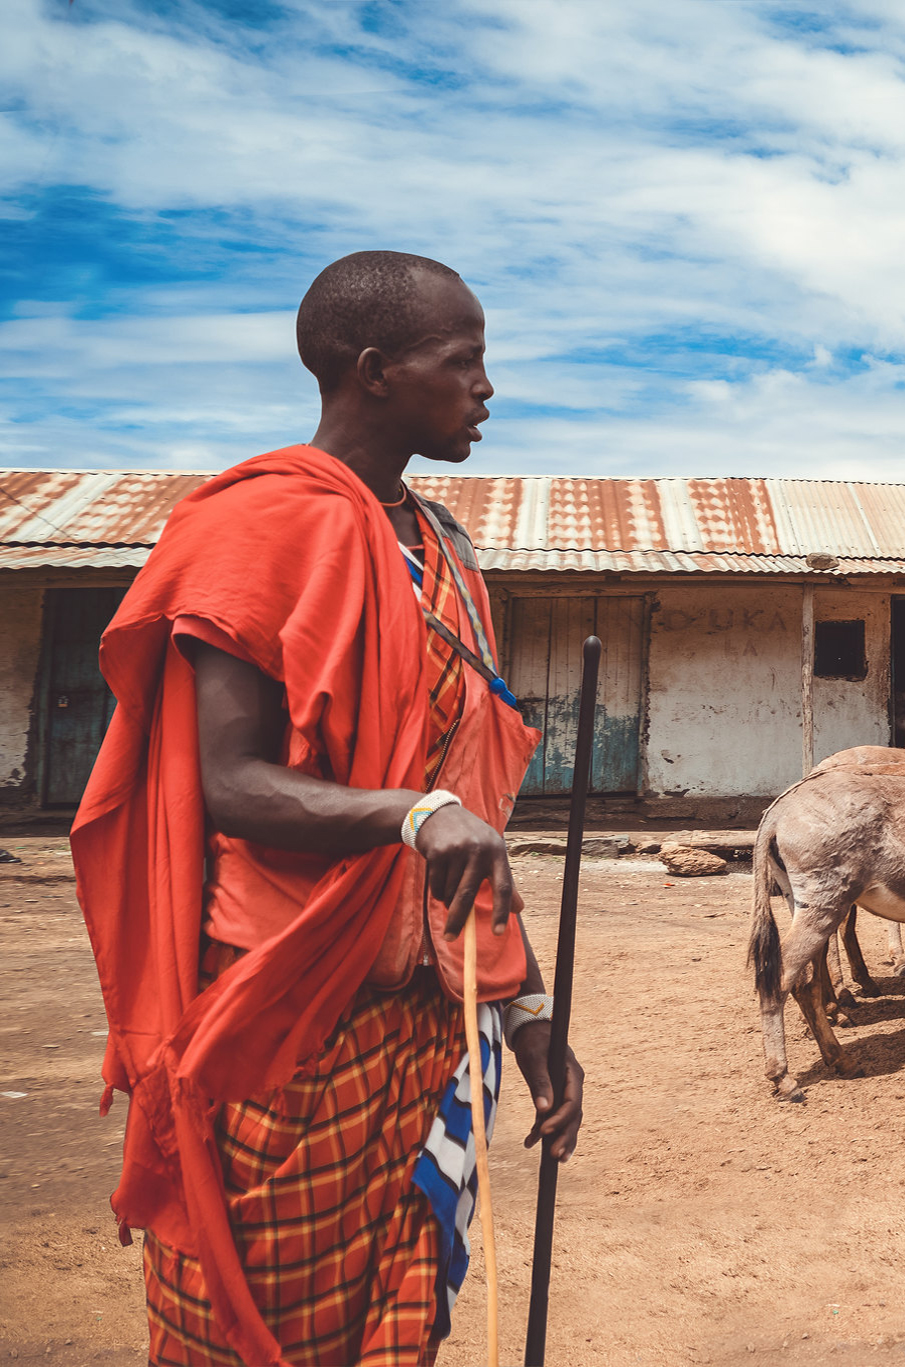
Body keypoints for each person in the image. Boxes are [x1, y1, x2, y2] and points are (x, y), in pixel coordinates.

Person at [72, 252, 584, 1367]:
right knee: (253, 1335)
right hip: (288, 1025)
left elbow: (473, 815)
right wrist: (410, 813)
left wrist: (532, 1015)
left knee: (394, 1328)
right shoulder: (261, 525)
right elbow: (234, 779)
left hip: (420, 1026)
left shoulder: (445, 551)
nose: (488, 387)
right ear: (375, 370)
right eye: (466, 361)